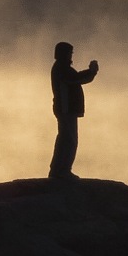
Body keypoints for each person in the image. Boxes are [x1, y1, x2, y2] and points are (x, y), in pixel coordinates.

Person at [49, 41, 98, 180]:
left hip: (66, 109)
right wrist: (92, 71)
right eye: (69, 52)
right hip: (66, 109)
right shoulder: (61, 69)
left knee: (66, 139)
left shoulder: (61, 67)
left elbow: (78, 79)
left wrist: (91, 73)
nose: (71, 55)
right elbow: (76, 79)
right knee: (68, 140)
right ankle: (61, 171)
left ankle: (60, 170)